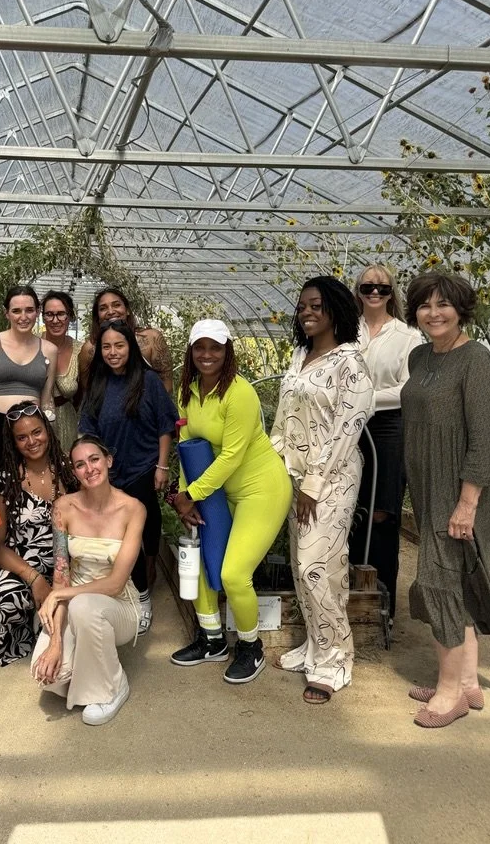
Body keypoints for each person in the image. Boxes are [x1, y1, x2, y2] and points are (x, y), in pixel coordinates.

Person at [168, 320, 292, 683]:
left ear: (227, 352)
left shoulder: (240, 394)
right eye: (200, 347)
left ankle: (251, 648)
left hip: (260, 489)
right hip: (217, 490)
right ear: (191, 351)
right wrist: (181, 497)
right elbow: (188, 449)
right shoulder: (188, 391)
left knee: (234, 573)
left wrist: (191, 495)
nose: (207, 355)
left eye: (215, 348)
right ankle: (211, 640)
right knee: (205, 563)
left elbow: (232, 456)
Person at [270, 276, 374, 704]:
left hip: (331, 478)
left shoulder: (350, 361)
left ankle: (335, 659)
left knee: (320, 564)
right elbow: (283, 421)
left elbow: (346, 429)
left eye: (315, 305)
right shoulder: (300, 355)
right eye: (301, 307)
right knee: (300, 563)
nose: (307, 313)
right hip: (294, 478)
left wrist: (313, 484)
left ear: (334, 308)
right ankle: (315, 644)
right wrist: (275, 470)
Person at [401, 272, 490, 728]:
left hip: (458, 488)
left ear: (461, 309)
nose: (434, 313)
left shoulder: (476, 359)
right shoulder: (420, 355)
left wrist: (468, 503)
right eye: (424, 305)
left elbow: (485, 438)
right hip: (426, 484)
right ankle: (469, 680)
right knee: (454, 580)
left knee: (438, 582)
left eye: (444, 305)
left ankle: (449, 693)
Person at [31, 435, 145, 725]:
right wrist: (56, 641)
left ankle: (113, 687)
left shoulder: (133, 509)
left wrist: (60, 596)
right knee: (48, 677)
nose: (89, 468)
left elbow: (116, 583)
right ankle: (88, 667)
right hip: (74, 602)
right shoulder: (63, 508)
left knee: (85, 607)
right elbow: (61, 579)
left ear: (108, 461)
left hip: (119, 607)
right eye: (80, 464)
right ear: (74, 472)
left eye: (94, 459)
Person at [78, 320, 178, 629]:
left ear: (130, 347)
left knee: (135, 539)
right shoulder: (98, 382)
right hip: (110, 474)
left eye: (119, 345)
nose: (112, 352)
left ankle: (142, 601)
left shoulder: (147, 381)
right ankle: (130, 596)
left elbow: (165, 425)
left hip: (143, 471)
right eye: (106, 347)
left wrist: (162, 467)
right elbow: (87, 428)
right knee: (118, 541)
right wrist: (92, 467)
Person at [349, 264, 421, 625]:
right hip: (348, 425)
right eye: (367, 287)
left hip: (388, 427)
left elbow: (408, 387)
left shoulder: (408, 336)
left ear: (393, 293)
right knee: (349, 509)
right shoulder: (348, 329)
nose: (374, 293)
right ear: (358, 290)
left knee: (382, 514)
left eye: (382, 288)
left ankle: (383, 603)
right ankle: (351, 593)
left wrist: (367, 398)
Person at [0, 401, 77, 666]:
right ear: (13, 442)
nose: (31, 441)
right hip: (22, 563)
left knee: (83, 608)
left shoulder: (69, 470)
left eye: (37, 432)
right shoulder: (4, 480)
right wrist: (34, 578)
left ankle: (50, 629)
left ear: (47, 430)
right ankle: (27, 631)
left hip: (67, 559)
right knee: (6, 598)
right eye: (21, 437)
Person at [0, 286, 57, 475]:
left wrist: (49, 433)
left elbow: (47, 398)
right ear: (6, 313)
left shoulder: (49, 350)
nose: (24, 316)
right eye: (16, 311)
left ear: (37, 312)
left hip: (30, 432)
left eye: (29, 310)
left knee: (26, 484)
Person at [78, 287, 173, 394]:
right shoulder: (90, 349)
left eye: (116, 305)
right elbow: (88, 392)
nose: (110, 311)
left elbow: (166, 386)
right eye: (103, 308)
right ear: (97, 316)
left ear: (127, 310)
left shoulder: (151, 338)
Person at [41, 291, 82, 452]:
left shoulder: (80, 351)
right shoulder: (32, 344)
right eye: (49, 315)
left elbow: (86, 395)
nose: (55, 320)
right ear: (42, 317)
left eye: (61, 314)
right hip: (36, 421)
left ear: (70, 316)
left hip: (67, 423)